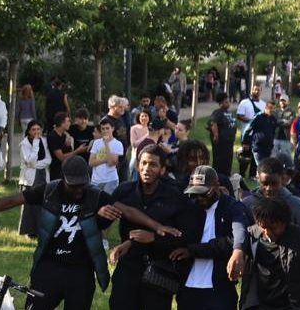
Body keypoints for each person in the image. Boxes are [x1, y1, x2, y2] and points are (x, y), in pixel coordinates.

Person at [0, 156, 173, 310]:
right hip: (49, 266)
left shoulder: (95, 196)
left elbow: (128, 211)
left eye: (82, 186)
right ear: (63, 179)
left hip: (81, 271)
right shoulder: (49, 191)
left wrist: (156, 227)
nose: (78, 191)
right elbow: (11, 200)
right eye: (73, 186)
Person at [107, 145, 188, 310]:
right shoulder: (124, 191)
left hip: (159, 271)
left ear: (163, 169)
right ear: (137, 165)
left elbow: (182, 236)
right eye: (143, 163)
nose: (146, 169)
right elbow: (105, 215)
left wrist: (154, 238)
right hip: (128, 268)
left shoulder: (174, 197)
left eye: (153, 165)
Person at [173, 165, 251, 310]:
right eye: (195, 193)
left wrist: (238, 251)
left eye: (204, 193)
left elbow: (239, 233)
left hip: (219, 288)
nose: (200, 198)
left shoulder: (232, 207)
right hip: (188, 287)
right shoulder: (189, 208)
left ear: (217, 186)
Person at [243, 156, 300, 229]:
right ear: (258, 179)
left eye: (274, 183)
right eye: (265, 184)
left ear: (282, 179)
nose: (269, 188)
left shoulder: (297, 205)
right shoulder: (247, 204)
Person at [17, 122, 50, 237]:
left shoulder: (44, 141)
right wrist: (35, 143)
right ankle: (29, 232)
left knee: (41, 204)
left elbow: (48, 160)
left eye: (38, 129)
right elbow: (30, 160)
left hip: (42, 175)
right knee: (29, 205)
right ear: (29, 131)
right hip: (30, 178)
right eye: (33, 129)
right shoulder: (24, 144)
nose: (36, 132)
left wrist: (35, 164)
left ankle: (40, 230)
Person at [48, 111, 87, 181]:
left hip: (67, 170)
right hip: (57, 172)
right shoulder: (53, 137)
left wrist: (67, 134)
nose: (70, 123)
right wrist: (78, 150)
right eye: (68, 121)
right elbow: (61, 157)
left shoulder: (64, 135)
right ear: (62, 123)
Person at [89, 120, 124, 195]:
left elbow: (111, 163)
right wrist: (106, 159)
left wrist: (107, 144)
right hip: (95, 180)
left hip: (110, 180)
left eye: (107, 128)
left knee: (108, 204)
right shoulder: (96, 142)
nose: (105, 131)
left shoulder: (117, 144)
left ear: (112, 128)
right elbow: (91, 163)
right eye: (103, 128)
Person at [209, 94, 238, 181]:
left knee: (228, 159)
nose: (228, 104)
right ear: (221, 103)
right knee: (220, 160)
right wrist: (216, 135)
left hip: (229, 141)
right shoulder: (218, 112)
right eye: (226, 102)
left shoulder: (229, 112)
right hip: (221, 141)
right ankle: (217, 177)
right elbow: (214, 123)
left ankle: (226, 176)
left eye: (228, 102)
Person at [247, 100, 281, 167]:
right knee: (261, 166)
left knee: (266, 166)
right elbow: (248, 129)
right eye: (271, 108)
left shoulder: (273, 119)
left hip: (268, 148)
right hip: (258, 147)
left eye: (274, 108)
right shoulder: (258, 117)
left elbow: (273, 132)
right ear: (266, 108)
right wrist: (245, 142)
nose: (273, 110)